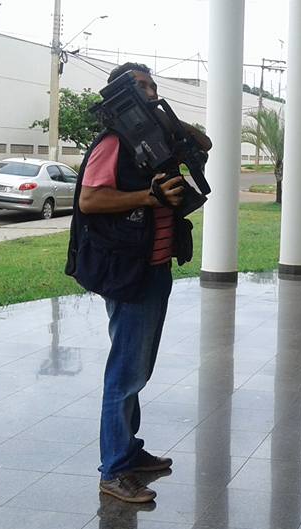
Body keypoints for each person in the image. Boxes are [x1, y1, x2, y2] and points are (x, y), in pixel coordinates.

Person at [65, 62, 208, 503]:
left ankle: (129, 450)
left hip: (154, 266)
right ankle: (113, 470)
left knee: (137, 369)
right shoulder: (113, 142)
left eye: (152, 86)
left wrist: (164, 115)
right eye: (139, 87)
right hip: (129, 270)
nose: (148, 92)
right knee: (125, 374)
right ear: (119, 97)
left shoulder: (157, 136)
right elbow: (90, 199)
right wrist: (148, 196)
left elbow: (204, 143)